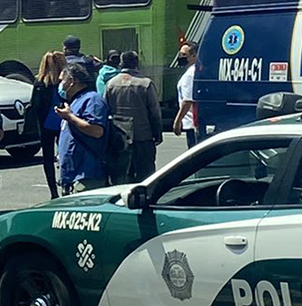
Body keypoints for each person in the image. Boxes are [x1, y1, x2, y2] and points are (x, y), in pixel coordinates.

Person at [105, 51, 164, 182]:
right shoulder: (145, 84)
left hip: (119, 138)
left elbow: (106, 110)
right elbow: (155, 113)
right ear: (137, 64)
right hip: (143, 136)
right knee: (146, 177)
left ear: (121, 64)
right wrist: (157, 133)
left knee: (121, 177)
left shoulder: (111, 84)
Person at [55, 63, 111, 194]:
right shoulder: (74, 102)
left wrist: (70, 117)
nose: (60, 85)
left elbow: (97, 131)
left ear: (72, 81)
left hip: (87, 175)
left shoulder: (92, 100)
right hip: (72, 176)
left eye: (62, 80)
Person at [34, 51, 67, 199]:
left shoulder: (40, 82)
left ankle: (53, 192)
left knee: (47, 158)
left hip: (46, 123)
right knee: (65, 154)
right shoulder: (64, 82)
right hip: (63, 121)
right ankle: (66, 186)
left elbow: (34, 105)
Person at [175, 42, 202, 149]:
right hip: (194, 124)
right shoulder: (195, 71)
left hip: (192, 124)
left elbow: (187, 101)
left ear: (194, 55)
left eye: (184, 55)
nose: (181, 57)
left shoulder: (190, 74)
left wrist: (177, 121)